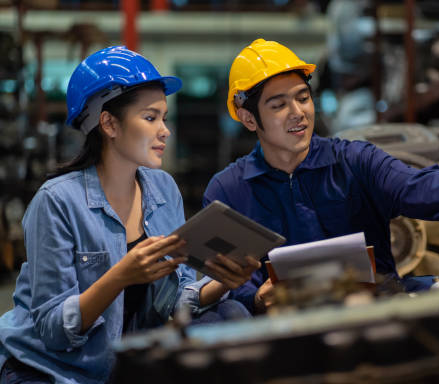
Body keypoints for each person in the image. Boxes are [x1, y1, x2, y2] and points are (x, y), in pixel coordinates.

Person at [194, 38, 439, 315]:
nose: (298, 113)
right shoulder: (228, 191)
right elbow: (227, 286)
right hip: (287, 331)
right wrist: (256, 300)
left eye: (303, 97)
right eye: (278, 105)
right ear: (249, 118)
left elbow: (415, 185)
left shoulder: (354, 160)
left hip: (377, 312)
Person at [0, 46, 258, 384]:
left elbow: (173, 300)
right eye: (150, 118)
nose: (165, 130)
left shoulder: (163, 190)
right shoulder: (58, 202)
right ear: (108, 123)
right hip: (48, 369)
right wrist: (120, 275)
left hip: (117, 364)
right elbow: (53, 331)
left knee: (231, 312)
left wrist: (223, 282)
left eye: (164, 118)